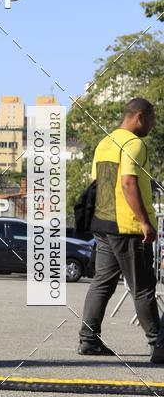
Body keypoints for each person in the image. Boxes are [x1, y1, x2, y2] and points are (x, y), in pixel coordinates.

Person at [78, 98, 163, 362]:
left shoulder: (105, 143)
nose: (152, 124)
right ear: (140, 116)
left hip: (102, 224)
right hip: (127, 226)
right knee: (143, 287)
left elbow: (98, 183)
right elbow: (127, 183)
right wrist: (144, 222)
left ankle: (88, 340)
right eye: (151, 119)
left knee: (102, 283)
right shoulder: (134, 144)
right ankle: (158, 346)